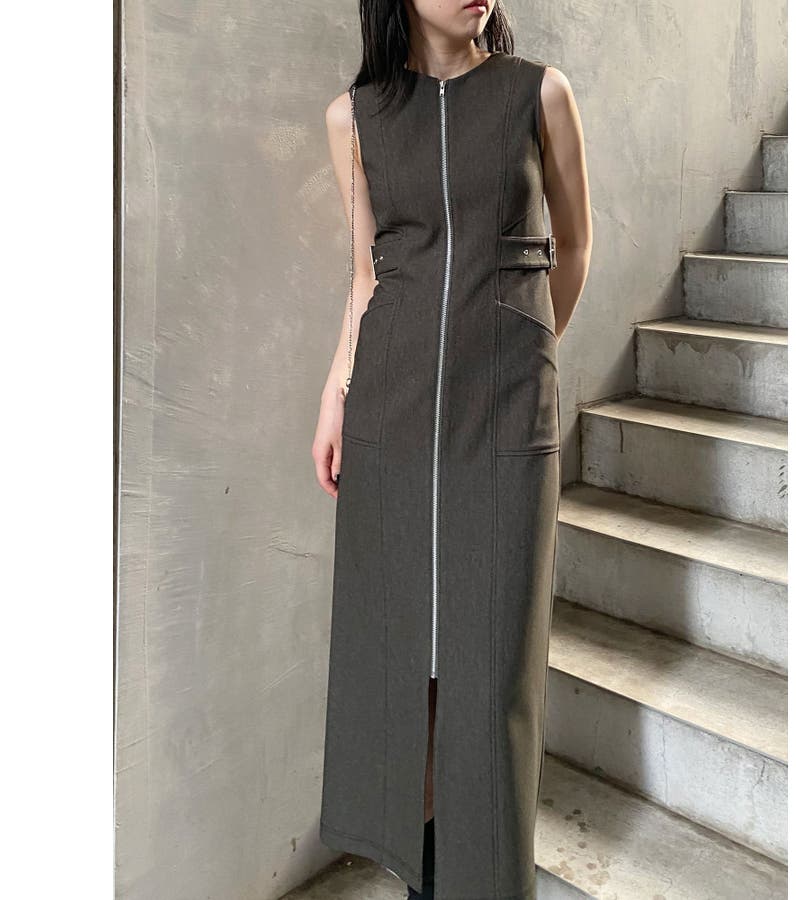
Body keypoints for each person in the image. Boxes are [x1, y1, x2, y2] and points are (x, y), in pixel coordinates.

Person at [312, 2, 591, 898]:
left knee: (491, 677)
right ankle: (422, 882)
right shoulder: (354, 118)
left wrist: (519, 352)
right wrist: (335, 394)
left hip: (504, 419)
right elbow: (367, 275)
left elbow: (574, 245)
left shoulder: (539, 93)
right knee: (403, 668)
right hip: (389, 415)